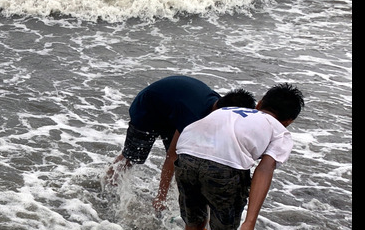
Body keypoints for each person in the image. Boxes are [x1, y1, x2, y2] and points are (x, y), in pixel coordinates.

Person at [173, 83, 305, 230]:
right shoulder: (280, 131)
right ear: (289, 121)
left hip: (185, 155)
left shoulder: (227, 109)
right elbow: (264, 170)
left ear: (260, 104)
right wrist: (249, 223)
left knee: (194, 223)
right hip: (224, 168)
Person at [106, 76, 256, 212]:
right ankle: (108, 182)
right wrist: (160, 198)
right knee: (133, 157)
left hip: (172, 110)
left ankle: (178, 197)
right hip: (146, 109)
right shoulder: (194, 115)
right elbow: (172, 156)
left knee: (183, 159)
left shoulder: (217, 104)